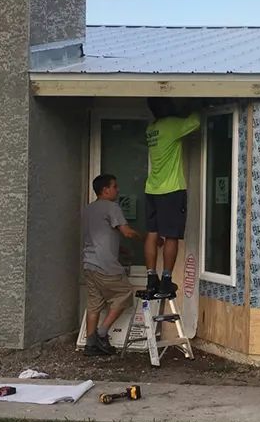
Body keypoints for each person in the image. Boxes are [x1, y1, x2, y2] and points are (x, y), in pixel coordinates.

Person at [144, 98, 201, 296]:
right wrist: (196, 103)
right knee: (171, 235)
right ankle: (166, 280)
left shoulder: (151, 129)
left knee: (152, 233)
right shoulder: (172, 125)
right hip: (171, 190)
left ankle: (151, 278)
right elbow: (195, 121)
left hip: (152, 189)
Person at [82, 174, 143, 356]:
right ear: (105, 190)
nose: (118, 190)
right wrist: (147, 238)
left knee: (94, 304)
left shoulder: (88, 209)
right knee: (125, 292)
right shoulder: (112, 207)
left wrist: (121, 250)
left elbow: (100, 236)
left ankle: (90, 345)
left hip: (89, 264)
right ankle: (102, 334)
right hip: (105, 264)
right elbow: (127, 232)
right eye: (115, 186)